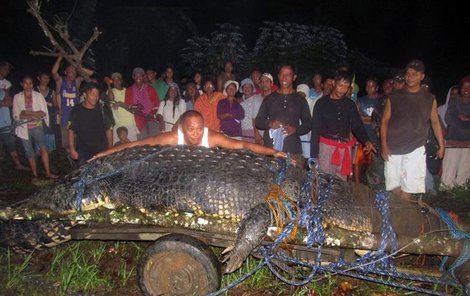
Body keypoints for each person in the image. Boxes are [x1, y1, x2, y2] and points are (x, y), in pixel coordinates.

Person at [92, 110, 287, 161]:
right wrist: (104, 153)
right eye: (191, 129)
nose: (196, 134)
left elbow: (244, 145)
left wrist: (273, 152)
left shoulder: (211, 137)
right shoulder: (172, 137)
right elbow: (136, 144)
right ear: (182, 129)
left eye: (199, 128)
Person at [380, 60, 444, 200]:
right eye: (408, 74)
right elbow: (384, 121)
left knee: (409, 186)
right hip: (393, 146)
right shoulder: (395, 96)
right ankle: (400, 212)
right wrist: (384, 145)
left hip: (415, 147)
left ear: (422, 76)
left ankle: (402, 217)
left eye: (414, 74)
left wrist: (441, 145)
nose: (410, 77)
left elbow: (435, 122)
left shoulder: (429, 98)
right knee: (393, 185)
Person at [310, 71, 375, 180]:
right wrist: (314, 155)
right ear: (334, 83)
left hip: (344, 148)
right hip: (326, 148)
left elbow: (357, 126)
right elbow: (315, 130)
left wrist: (366, 140)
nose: (343, 89)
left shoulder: (350, 105)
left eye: (346, 86)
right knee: (323, 181)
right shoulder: (321, 103)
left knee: (341, 184)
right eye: (340, 85)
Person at [255, 64, 311, 165]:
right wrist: (270, 123)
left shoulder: (300, 100)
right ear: (278, 76)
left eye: (288, 75)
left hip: (292, 150)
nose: (284, 78)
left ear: (294, 77)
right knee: (269, 179)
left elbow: (308, 124)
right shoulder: (269, 98)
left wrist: (295, 129)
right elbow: (258, 122)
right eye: (281, 74)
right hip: (270, 150)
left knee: (292, 179)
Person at [12, 76, 57, 180]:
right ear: (22, 84)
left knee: (43, 147)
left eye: (30, 83)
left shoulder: (38, 96)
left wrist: (26, 113)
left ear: (33, 84)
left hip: (37, 126)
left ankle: (48, 173)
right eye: (26, 83)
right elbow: (17, 115)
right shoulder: (17, 97)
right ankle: (35, 175)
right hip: (23, 128)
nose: (28, 86)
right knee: (29, 151)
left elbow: (42, 113)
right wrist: (34, 114)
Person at [52, 57, 93, 150]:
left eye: (74, 72)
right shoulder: (61, 82)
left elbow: (90, 73)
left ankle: (78, 163)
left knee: (77, 143)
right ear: (65, 72)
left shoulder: (77, 82)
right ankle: (70, 162)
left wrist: (77, 67)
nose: (73, 73)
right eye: (70, 71)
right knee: (67, 145)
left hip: (76, 118)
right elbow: (54, 72)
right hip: (64, 118)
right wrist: (59, 58)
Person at [68, 82, 113, 166]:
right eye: (92, 94)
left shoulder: (104, 109)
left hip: (101, 149)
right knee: (84, 175)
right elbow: (71, 129)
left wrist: (110, 149)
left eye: (97, 94)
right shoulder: (76, 110)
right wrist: (72, 148)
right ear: (85, 95)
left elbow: (109, 129)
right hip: (83, 150)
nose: (95, 97)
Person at [441, 76, 470, 188]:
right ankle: (444, 200)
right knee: (448, 175)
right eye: (464, 86)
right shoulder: (454, 100)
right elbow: (450, 119)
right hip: (453, 143)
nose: (467, 89)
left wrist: (465, 118)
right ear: (460, 88)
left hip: (468, 145)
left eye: (469, 87)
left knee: (464, 176)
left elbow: (456, 121)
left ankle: (459, 201)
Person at [125, 67, 160, 140]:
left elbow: (156, 104)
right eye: (136, 75)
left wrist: (151, 114)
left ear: (143, 77)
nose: (138, 77)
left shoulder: (149, 88)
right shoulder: (129, 90)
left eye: (140, 75)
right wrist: (136, 107)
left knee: (155, 142)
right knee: (143, 144)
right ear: (133, 77)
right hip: (138, 121)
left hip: (151, 119)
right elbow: (128, 105)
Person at [0, 88, 29, 171]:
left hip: (5, 125)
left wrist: (3, 102)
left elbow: (10, 102)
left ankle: (18, 165)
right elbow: (7, 102)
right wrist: (4, 102)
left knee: (12, 147)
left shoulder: (2, 91)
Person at [105, 72, 138, 144]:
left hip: (130, 123)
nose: (116, 82)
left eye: (118, 80)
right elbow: (111, 99)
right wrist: (108, 84)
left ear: (121, 81)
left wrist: (120, 104)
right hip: (118, 124)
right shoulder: (111, 91)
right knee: (118, 148)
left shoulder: (128, 91)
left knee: (132, 146)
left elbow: (133, 107)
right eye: (114, 80)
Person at [35, 72, 57, 152]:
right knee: (39, 145)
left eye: (47, 78)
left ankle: (50, 161)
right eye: (44, 78)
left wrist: (56, 110)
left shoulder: (51, 91)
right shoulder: (34, 90)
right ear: (39, 78)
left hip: (50, 120)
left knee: (50, 146)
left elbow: (55, 105)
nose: (46, 80)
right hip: (37, 120)